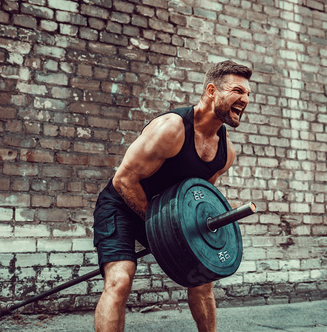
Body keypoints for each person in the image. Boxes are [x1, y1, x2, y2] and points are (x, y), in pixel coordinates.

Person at [92, 60, 252, 332]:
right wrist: (166, 229)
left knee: (203, 279)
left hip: (166, 215)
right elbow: (124, 180)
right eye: (238, 91)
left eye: (248, 94)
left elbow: (200, 195)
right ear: (212, 91)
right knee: (120, 280)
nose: (245, 100)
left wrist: (192, 230)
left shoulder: (226, 152)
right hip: (121, 204)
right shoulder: (171, 129)